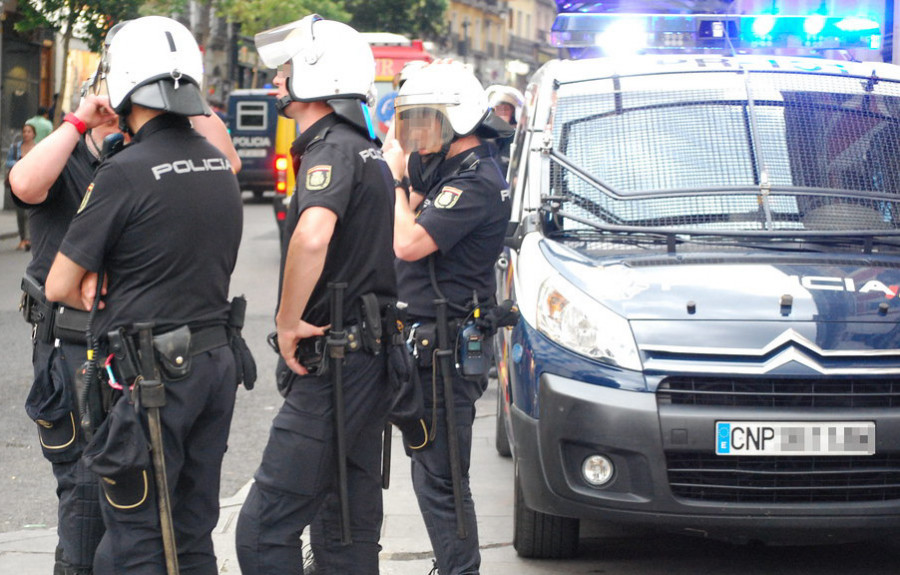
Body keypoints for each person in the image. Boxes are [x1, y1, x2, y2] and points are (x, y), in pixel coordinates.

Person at [44, 15, 243, 575]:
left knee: (131, 541)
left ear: (127, 81)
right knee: (191, 531)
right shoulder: (219, 167)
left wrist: (109, 287)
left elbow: (60, 285)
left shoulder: (123, 172)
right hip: (214, 363)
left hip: (152, 378)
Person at [236, 14, 397, 575]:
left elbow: (312, 234)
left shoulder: (331, 150)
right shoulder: (365, 148)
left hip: (335, 364)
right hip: (365, 361)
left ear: (317, 76)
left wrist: (285, 321)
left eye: (285, 73)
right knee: (344, 525)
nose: (277, 83)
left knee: (262, 531)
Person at [383, 61, 512, 575]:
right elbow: (420, 201)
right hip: (429, 342)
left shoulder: (477, 180)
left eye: (424, 121)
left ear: (455, 120)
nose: (414, 135)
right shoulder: (454, 166)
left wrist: (393, 181)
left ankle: (460, 569)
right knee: (431, 468)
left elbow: (409, 241)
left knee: (441, 475)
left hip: (447, 350)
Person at [7, 120, 38, 250]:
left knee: (29, 213)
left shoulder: (38, 148)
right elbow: (8, 162)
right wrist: (19, 161)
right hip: (18, 183)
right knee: (20, 213)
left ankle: (28, 239)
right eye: (24, 131)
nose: (26, 134)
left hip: (32, 183)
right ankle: (22, 238)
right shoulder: (15, 147)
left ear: (34, 134)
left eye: (29, 131)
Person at [484, 84, 524, 176]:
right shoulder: (484, 136)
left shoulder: (518, 139)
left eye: (506, 109)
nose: (502, 113)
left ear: (513, 114)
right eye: (498, 109)